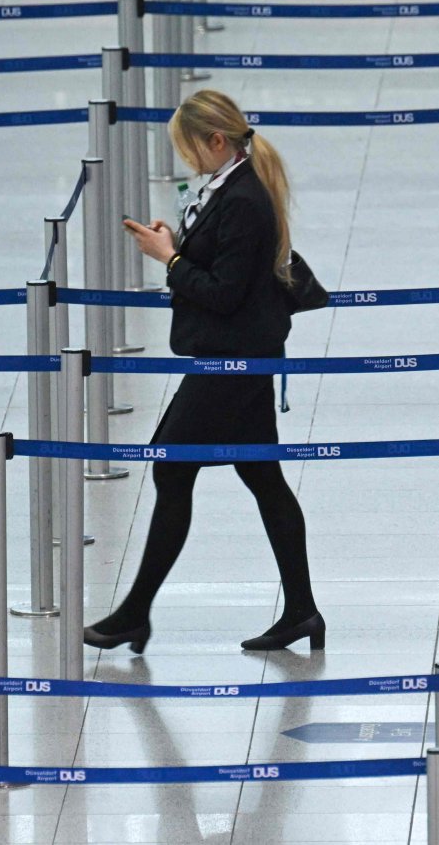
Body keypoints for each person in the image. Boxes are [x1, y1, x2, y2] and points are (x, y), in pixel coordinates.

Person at [84, 89, 323, 655]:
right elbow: (220, 269)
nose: (188, 162)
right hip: (237, 356)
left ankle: (134, 613)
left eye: (190, 149)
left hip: (232, 361)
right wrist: (175, 245)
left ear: (217, 141)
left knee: (171, 468)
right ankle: (302, 611)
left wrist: (167, 260)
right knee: (262, 479)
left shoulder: (243, 200)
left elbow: (221, 293)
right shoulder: (231, 189)